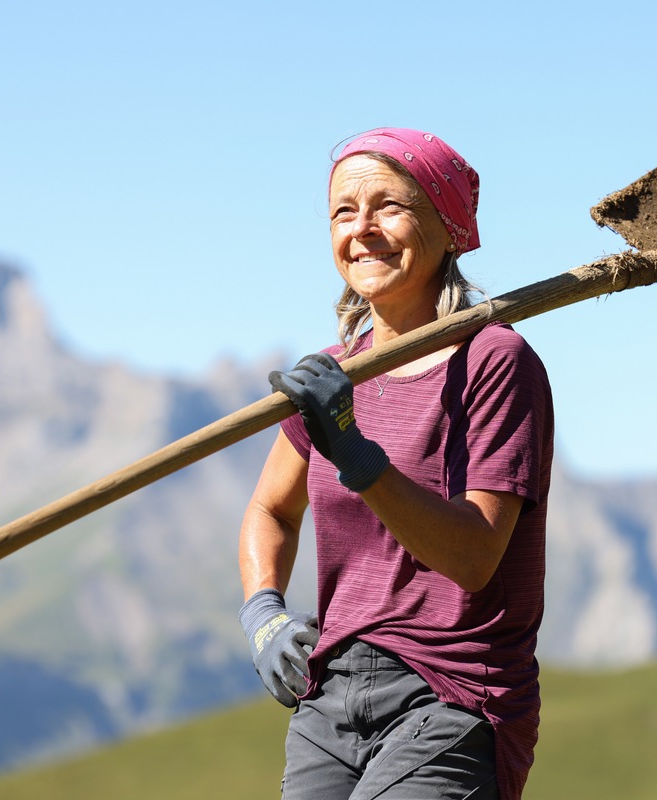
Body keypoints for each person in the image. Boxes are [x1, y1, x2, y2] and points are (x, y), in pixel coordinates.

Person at [238, 127, 554, 800]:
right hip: (329, 699)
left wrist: (354, 453)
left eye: (389, 206)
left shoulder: (494, 360)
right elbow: (270, 510)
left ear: (449, 226)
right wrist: (263, 611)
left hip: (453, 696)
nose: (364, 229)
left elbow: (472, 558)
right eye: (344, 212)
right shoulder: (330, 379)